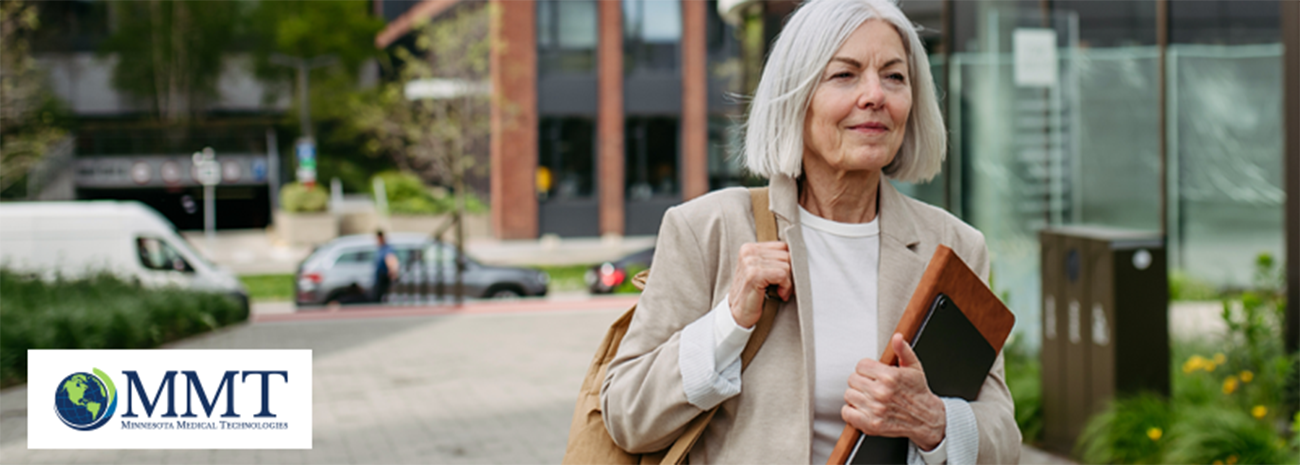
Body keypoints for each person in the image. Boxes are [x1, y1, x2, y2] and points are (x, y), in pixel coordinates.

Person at [599, 1, 1020, 464]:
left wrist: (935, 422)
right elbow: (627, 417)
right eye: (845, 74)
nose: (875, 95)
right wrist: (728, 323)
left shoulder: (956, 247)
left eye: (895, 77)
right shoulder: (709, 230)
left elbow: (1003, 435)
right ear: (795, 96)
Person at [371, 230, 399, 303]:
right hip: (380, 278)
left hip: (383, 277)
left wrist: (393, 271)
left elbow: (390, 259)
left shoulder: (386, 249)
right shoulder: (381, 249)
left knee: (379, 298)